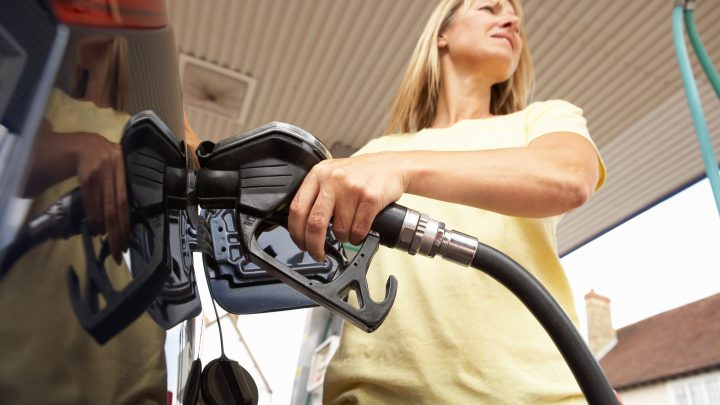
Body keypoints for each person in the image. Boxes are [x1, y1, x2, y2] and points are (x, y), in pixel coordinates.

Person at [288, 0, 606, 403]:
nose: (510, 21)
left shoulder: (541, 120)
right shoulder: (377, 152)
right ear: (443, 33)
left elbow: (569, 178)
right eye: (490, 8)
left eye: (517, 21)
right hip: (378, 394)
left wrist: (402, 170)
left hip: (531, 394)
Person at [0, 34, 201, 404]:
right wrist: (79, 147)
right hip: (29, 360)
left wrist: (173, 107)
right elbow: (18, 164)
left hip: (129, 373)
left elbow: (195, 173)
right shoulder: (48, 104)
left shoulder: (150, 132)